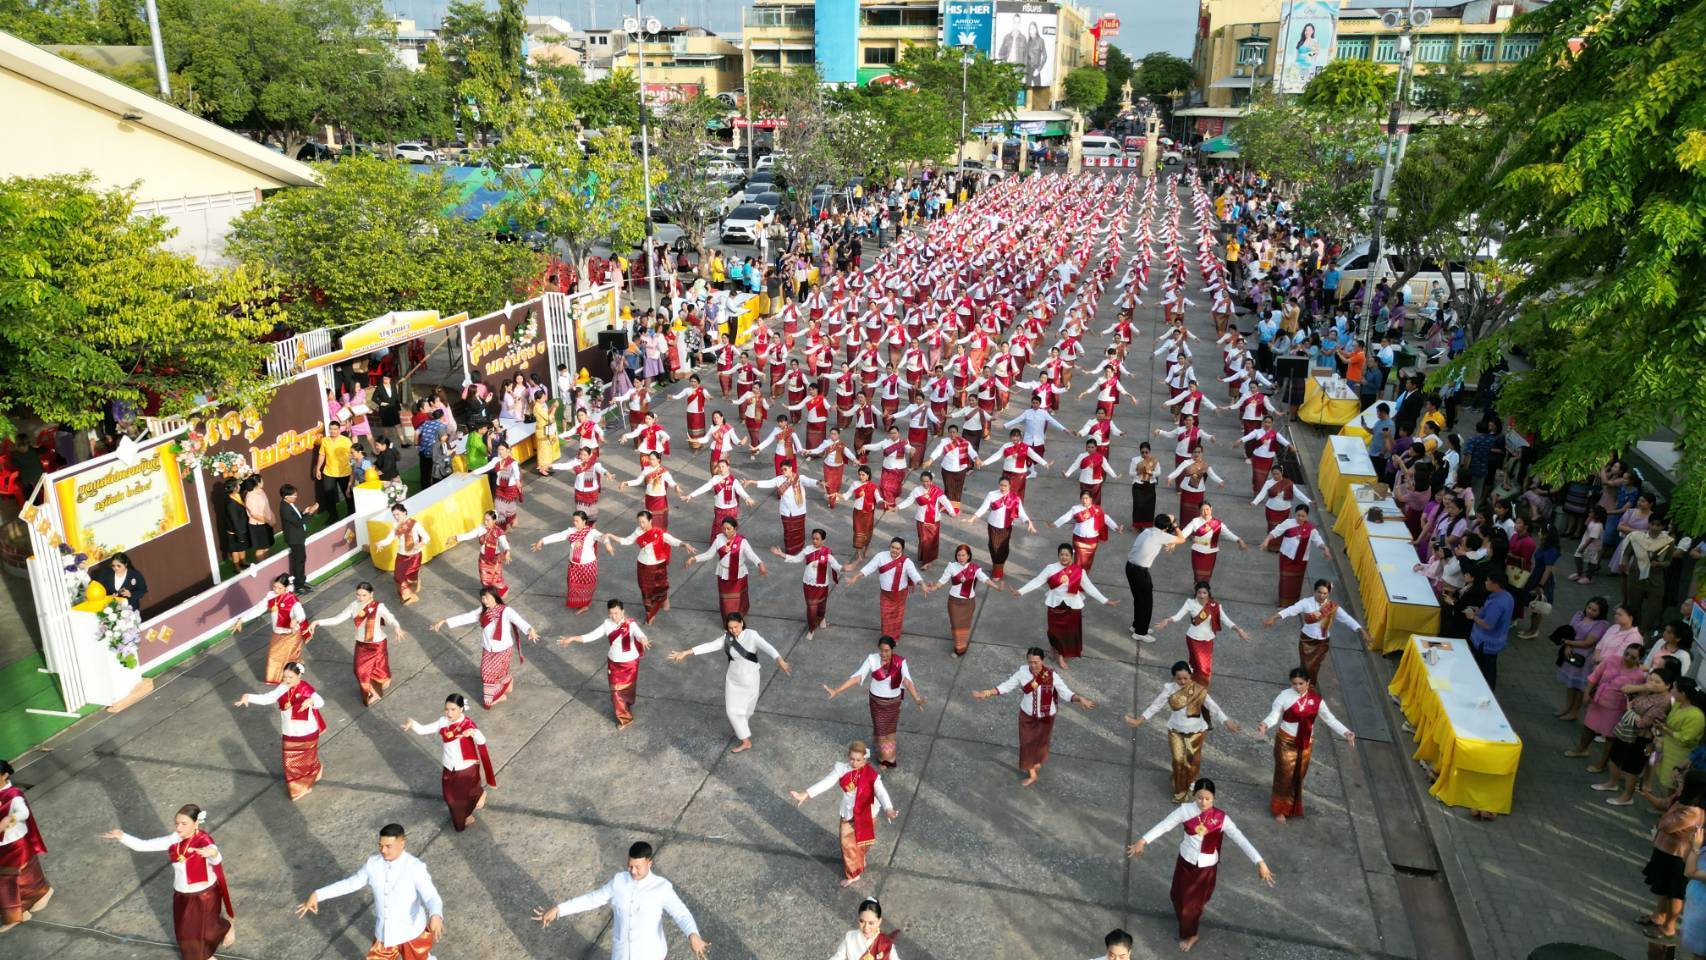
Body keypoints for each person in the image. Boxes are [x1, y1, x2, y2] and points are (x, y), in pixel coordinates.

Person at [1127, 777, 1274, 953]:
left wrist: (1260, 861)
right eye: (1199, 797)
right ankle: (1188, 922)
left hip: (1205, 868)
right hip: (1185, 861)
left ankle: (1192, 934)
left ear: (1214, 798)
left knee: (1191, 907)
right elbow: (1164, 825)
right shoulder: (1185, 811)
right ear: (1193, 795)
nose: (1203, 802)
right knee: (1176, 896)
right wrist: (1143, 841)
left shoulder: (1221, 818)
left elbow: (1241, 839)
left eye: (1207, 799)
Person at [532, 841, 709, 959]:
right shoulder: (618, 881)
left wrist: (693, 934)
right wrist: (559, 909)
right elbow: (592, 899)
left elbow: (681, 913)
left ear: (650, 863)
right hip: (621, 954)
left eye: (637, 867)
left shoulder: (662, 888)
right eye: (629, 865)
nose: (632, 871)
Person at [103, 804, 233, 959]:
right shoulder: (173, 839)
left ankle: (204, 957)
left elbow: (215, 855)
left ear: (196, 823)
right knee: (187, 932)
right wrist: (122, 836)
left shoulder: (203, 841)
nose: (179, 827)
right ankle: (224, 928)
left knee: (195, 933)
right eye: (177, 823)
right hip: (182, 895)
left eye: (184, 824)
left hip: (204, 895)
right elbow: (144, 845)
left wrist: (213, 853)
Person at [297, 823, 444, 960]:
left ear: (402, 843)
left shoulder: (415, 867)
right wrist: (318, 894)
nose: (383, 850)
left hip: (412, 933)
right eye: (380, 845)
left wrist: (435, 914)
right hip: (385, 935)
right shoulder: (372, 864)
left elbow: (431, 896)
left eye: (388, 846)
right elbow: (351, 884)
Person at [668, 611, 791, 753]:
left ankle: (741, 729)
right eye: (730, 627)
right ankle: (746, 741)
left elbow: (768, 647)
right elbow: (710, 646)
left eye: (736, 627)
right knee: (732, 711)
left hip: (750, 678)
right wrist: (686, 652)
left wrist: (780, 660)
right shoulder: (727, 638)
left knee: (746, 709)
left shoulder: (752, 635)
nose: (733, 630)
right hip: (732, 679)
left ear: (742, 623)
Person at [973, 646, 1097, 786]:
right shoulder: (1022, 672)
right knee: (1027, 744)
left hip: (1046, 717)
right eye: (1030, 662)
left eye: (1036, 662)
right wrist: (988, 693)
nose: (1033, 665)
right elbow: (1007, 686)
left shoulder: (1051, 675)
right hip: (1027, 716)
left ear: (1042, 661)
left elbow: (1065, 693)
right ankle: (1032, 774)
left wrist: (1080, 698)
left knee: (1041, 743)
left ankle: (1036, 762)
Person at [790, 741, 899, 887]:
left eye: (858, 760)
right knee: (847, 845)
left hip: (867, 813)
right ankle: (854, 874)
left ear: (864, 759)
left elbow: (881, 792)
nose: (854, 763)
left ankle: (859, 859)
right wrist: (806, 794)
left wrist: (889, 809)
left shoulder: (871, 775)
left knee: (863, 844)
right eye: (852, 759)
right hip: (849, 814)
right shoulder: (841, 770)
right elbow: (826, 782)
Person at [1128, 661, 1241, 802]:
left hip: (1196, 732)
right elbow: (1156, 705)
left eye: (1185, 678)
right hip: (1175, 730)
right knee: (1178, 760)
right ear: (1174, 678)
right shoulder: (1169, 690)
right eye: (1178, 679)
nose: (1182, 681)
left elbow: (1213, 706)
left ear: (1190, 675)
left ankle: (1191, 779)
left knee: (1192, 761)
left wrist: (1226, 721)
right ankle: (1180, 792)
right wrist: (1140, 719)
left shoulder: (1199, 690)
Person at [1258, 667, 1356, 822]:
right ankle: (1279, 809)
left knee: (1298, 776)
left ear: (1308, 682)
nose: (1297, 687)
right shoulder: (1284, 696)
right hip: (1286, 741)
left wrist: (1346, 732)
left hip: (1305, 743)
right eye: (1294, 684)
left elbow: (1329, 719)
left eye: (1301, 683)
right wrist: (1265, 724)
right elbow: (1274, 715)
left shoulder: (1317, 700)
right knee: (1284, 776)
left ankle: (1291, 807)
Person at [824, 636, 926, 768]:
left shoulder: (901, 662)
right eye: (881, 650)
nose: (884, 654)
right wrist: (837, 690)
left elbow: (907, 681)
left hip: (893, 703)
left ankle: (890, 758)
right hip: (877, 703)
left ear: (892, 649)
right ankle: (883, 758)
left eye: (887, 650)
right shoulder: (872, 659)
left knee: (890, 731)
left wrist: (916, 698)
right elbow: (858, 676)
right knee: (880, 731)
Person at [431, 587, 539, 708]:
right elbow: (466, 617)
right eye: (482, 598)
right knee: (491, 672)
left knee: (487, 673)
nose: (484, 600)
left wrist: (530, 629)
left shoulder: (506, 611)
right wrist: (444, 621)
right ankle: (507, 681)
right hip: (488, 648)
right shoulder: (482, 611)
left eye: (487, 597)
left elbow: (519, 620)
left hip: (503, 649)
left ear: (495, 596)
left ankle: (492, 700)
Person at [234, 660, 326, 800]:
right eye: (285, 677)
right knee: (290, 762)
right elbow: (268, 698)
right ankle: (315, 770)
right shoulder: (283, 687)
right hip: (289, 731)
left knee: (304, 761)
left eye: (290, 677)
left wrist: (311, 701)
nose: (287, 680)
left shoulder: (305, 688)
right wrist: (249, 697)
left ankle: (300, 788)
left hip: (306, 732)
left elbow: (320, 701)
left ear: (299, 676)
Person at [403, 693, 496, 831]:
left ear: (461, 709)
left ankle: (465, 816)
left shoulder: (467, 724)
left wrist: (473, 733)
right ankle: (478, 795)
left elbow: (482, 740)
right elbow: (424, 730)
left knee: (458, 800)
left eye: (453, 709)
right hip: (449, 766)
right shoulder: (442, 722)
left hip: (467, 767)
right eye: (447, 709)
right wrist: (412, 724)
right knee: (450, 797)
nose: (449, 713)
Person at [1015, 543, 1117, 667]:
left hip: (1072, 606)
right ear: (1058, 555)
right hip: (1055, 605)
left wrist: (1105, 600)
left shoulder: (1079, 571)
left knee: (1069, 633)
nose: (1064, 557)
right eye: (1061, 555)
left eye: (1067, 555)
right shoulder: (1050, 568)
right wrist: (1020, 591)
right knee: (1054, 631)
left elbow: (1090, 587)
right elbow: (1037, 581)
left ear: (1071, 556)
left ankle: (1061, 655)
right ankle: (1054, 648)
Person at [1262, 579, 1372, 685]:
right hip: (1307, 640)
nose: (1321, 595)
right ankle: (1306, 685)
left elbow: (1347, 619)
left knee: (1314, 666)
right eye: (1319, 592)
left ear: (1328, 593)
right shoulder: (1306, 603)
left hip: (1323, 642)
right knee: (1307, 666)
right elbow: (1291, 610)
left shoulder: (1332, 607)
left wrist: (1362, 631)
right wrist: (1274, 617)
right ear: (1315, 591)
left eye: (1325, 593)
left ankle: (1307, 684)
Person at [561, 598, 651, 728]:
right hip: (614, 663)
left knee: (628, 688)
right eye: (611, 613)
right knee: (615, 692)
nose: (614, 616)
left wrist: (643, 640)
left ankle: (627, 703)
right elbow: (591, 636)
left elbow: (639, 635)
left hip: (630, 663)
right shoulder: (607, 624)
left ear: (622, 611)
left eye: (616, 613)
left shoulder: (630, 624)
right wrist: (573, 638)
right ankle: (625, 718)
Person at [1639, 771, 1706, 941]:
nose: (1678, 783)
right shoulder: (1680, 800)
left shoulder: (1693, 811)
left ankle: (1669, 926)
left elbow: (1666, 825)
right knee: (1662, 888)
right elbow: (1662, 805)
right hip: (1665, 852)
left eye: (1682, 782)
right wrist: (1647, 794)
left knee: (1674, 893)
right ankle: (1657, 917)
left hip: (1678, 858)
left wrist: (1663, 818)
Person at [313, 581, 403, 706]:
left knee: (379, 670)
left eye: (364, 595)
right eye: (358, 595)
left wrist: (396, 627)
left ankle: (381, 682)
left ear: (371, 594)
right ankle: (374, 692)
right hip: (361, 644)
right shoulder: (353, 605)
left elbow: (390, 619)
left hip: (377, 644)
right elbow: (337, 619)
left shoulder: (378, 606)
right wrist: (318, 622)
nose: (360, 598)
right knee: (359, 670)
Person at [1153, 581, 1253, 687]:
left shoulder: (1215, 606)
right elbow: (1178, 617)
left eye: (1204, 593)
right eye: (1199, 592)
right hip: (1193, 638)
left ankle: (1199, 686)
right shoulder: (1190, 603)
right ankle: (1197, 686)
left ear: (1208, 593)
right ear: (1196, 593)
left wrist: (1239, 630)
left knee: (1205, 666)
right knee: (1200, 665)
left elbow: (1226, 620)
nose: (1201, 595)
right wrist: (1167, 620)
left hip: (1208, 640)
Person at [0, 759, 51, 933]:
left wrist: (10, 819)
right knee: (24, 875)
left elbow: (24, 812)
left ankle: (15, 915)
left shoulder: (13, 795)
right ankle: (40, 893)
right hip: (4, 843)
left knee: (8, 880)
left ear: (5, 775)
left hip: (14, 842)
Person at [924, 542, 1002, 656]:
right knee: (956, 626)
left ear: (969, 556)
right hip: (954, 602)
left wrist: (996, 587)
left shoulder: (975, 568)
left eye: (963, 555)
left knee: (965, 626)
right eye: (959, 555)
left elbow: (985, 579)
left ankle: (960, 648)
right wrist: (933, 587)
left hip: (969, 603)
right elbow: (942, 581)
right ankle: (958, 647)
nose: (961, 558)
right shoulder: (951, 566)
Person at [611, 510, 688, 624]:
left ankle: (664, 600)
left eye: (643, 522)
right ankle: (650, 613)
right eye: (639, 522)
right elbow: (626, 541)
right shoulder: (638, 531)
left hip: (657, 564)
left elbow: (672, 540)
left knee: (660, 587)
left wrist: (684, 544)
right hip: (643, 564)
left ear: (650, 520)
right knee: (646, 590)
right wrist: (612, 536)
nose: (641, 525)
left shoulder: (658, 532)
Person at [533, 510, 615, 614]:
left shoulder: (591, 532)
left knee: (587, 587)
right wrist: (542, 541)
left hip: (588, 566)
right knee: (573, 586)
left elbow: (603, 537)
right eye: (574, 521)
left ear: (584, 521)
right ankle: (580, 603)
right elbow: (559, 536)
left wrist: (607, 544)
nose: (574, 523)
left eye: (577, 521)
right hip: (574, 566)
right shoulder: (571, 531)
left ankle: (585, 605)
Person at [685, 517, 768, 617]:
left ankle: (739, 619)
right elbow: (709, 554)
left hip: (738, 574)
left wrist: (760, 564)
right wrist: (694, 559)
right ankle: (727, 621)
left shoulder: (742, 541)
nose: (726, 531)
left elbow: (751, 555)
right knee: (726, 601)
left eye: (729, 529)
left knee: (738, 600)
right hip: (723, 574)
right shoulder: (719, 539)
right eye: (723, 529)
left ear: (735, 528)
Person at [845, 537, 925, 639]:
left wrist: (922, 584)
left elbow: (914, 574)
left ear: (902, 550)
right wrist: (855, 577)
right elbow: (869, 567)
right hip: (886, 594)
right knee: (886, 617)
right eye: (893, 547)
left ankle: (895, 637)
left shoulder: (907, 562)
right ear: (889, 546)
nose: (894, 550)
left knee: (897, 617)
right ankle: (887, 638)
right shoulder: (881, 556)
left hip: (900, 595)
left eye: (898, 548)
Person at [772, 528, 841, 638]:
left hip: (822, 585)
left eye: (817, 539)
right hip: (808, 584)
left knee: (822, 606)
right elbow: (796, 559)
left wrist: (846, 568)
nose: (814, 541)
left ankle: (822, 618)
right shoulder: (807, 550)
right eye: (813, 539)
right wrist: (781, 554)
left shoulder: (827, 552)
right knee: (811, 608)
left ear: (824, 540)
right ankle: (811, 628)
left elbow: (837, 566)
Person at [1261, 504, 1330, 606]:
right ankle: (1283, 603)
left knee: (1296, 582)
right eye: (1298, 515)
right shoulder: (1288, 523)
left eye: (1303, 516)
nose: (1300, 518)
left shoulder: (1310, 528)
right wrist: (1267, 540)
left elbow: (1318, 541)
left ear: (1307, 516)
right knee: (1285, 580)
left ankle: (1293, 603)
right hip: (1287, 558)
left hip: (1301, 560)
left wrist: (1325, 548)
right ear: (1295, 514)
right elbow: (1276, 532)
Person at [261, 574, 314, 684]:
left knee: (289, 656)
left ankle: (290, 676)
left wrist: (295, 620)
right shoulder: (270, 596)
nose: (276, 590)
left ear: (286, 588)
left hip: (291, 634)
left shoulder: (292, 599)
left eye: (279, 588)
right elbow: (258, 608)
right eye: (274, 586)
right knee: (274, 655)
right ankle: (277, 677)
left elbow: (301, 615)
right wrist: (242, 620)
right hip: (278, 633)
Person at [1468, 570, 1516, 689]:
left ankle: (1485, 691)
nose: (1485, 582)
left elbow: (1488, 625)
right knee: (1489, 668)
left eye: (1487, 581)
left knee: (1485, 670)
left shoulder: (1496, 603)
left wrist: (1473, 617)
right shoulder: (1507, 596)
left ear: (1495, 584)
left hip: (1486, 643)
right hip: (1497, 640)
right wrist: (1478, 611)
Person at [371, 504, 428, 604]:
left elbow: (426, 537)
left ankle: (412, 596)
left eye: (398, 514)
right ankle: (409, 592)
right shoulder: (395, 525)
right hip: (401, 555)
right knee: (398, 577)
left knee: (410, 578)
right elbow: (390, 538)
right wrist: (381, 543)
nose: (396, 517)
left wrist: (419, 544)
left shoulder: (414, 524)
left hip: (414, 556)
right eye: (394, 515)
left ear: (404, 512)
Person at [449, 510, 513, 598]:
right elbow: (469, 535)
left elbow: (504, 543)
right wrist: (456, 537)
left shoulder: (499, 531)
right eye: (484, 520)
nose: (485, 522)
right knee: (485, 580)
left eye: (488, 520)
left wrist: (508, 551)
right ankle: (491, 598)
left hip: (495, 560)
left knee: (496, 580)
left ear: (494, 521)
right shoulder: (481, 528)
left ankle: (500, 593)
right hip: (483, 559)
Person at [828, 898, 899, 960]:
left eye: (871, 923)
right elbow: (838, 957)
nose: (866, 927)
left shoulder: (885, 942)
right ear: (858, 918)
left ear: (879, 922)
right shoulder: (850, 937)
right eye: (862, 921)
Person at [314, 419, 355, 520]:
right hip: (329, 472)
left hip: (344, 472)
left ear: (339, 430)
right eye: (331, 429)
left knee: (348, 494)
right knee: (329, 496)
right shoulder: (325, 440)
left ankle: (352, 512)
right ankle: (333, 516)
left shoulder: (346, 440)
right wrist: (318, 469)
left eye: (335, 429)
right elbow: (322, 455)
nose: (333, 431)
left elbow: (353, 454)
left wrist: (354, 466)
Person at [278, 483, 314, 594]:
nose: (296, 497)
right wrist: (310, 513)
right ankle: (298, 585)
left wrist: (304, 512)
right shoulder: (284, 508)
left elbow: (297, 516)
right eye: (294, 496)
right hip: (294, 538)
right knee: (298, 561)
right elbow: (298, 522)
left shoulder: (290, 504)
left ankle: (302, 581)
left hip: (298, 537)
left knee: (302, 559)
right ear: (286, 497)